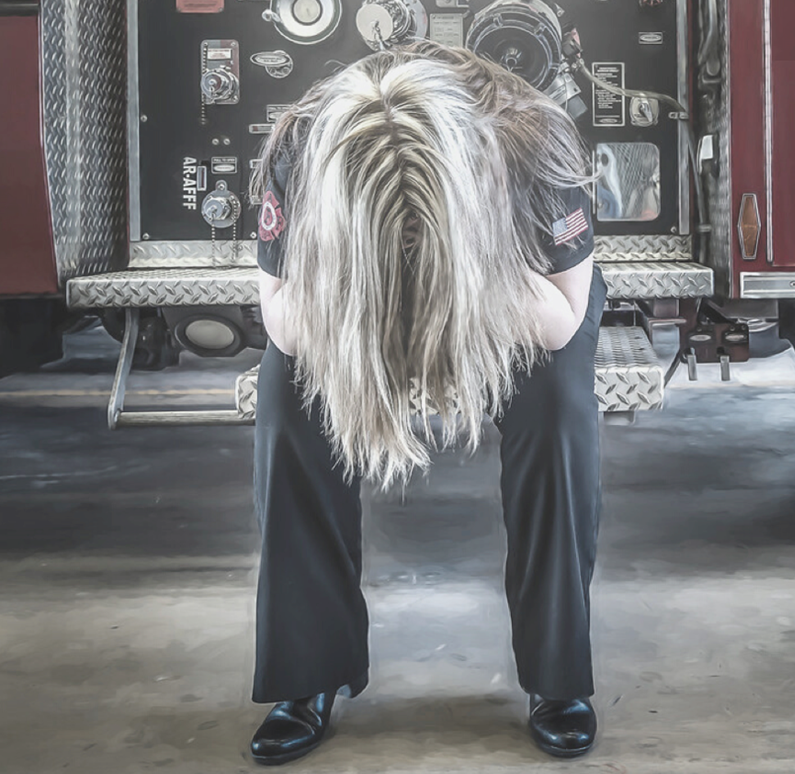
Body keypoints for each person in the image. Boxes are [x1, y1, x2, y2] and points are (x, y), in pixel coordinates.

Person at [246, 41, 607, 765]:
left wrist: (472, 250)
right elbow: (283, 325)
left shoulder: (537, 143)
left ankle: (558, 674)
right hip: (353, 289)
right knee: (286, 400)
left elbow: (563, 316)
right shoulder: (300, 145)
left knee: (558, 405)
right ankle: (309, 673)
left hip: (507, 292)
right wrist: (362, 267)